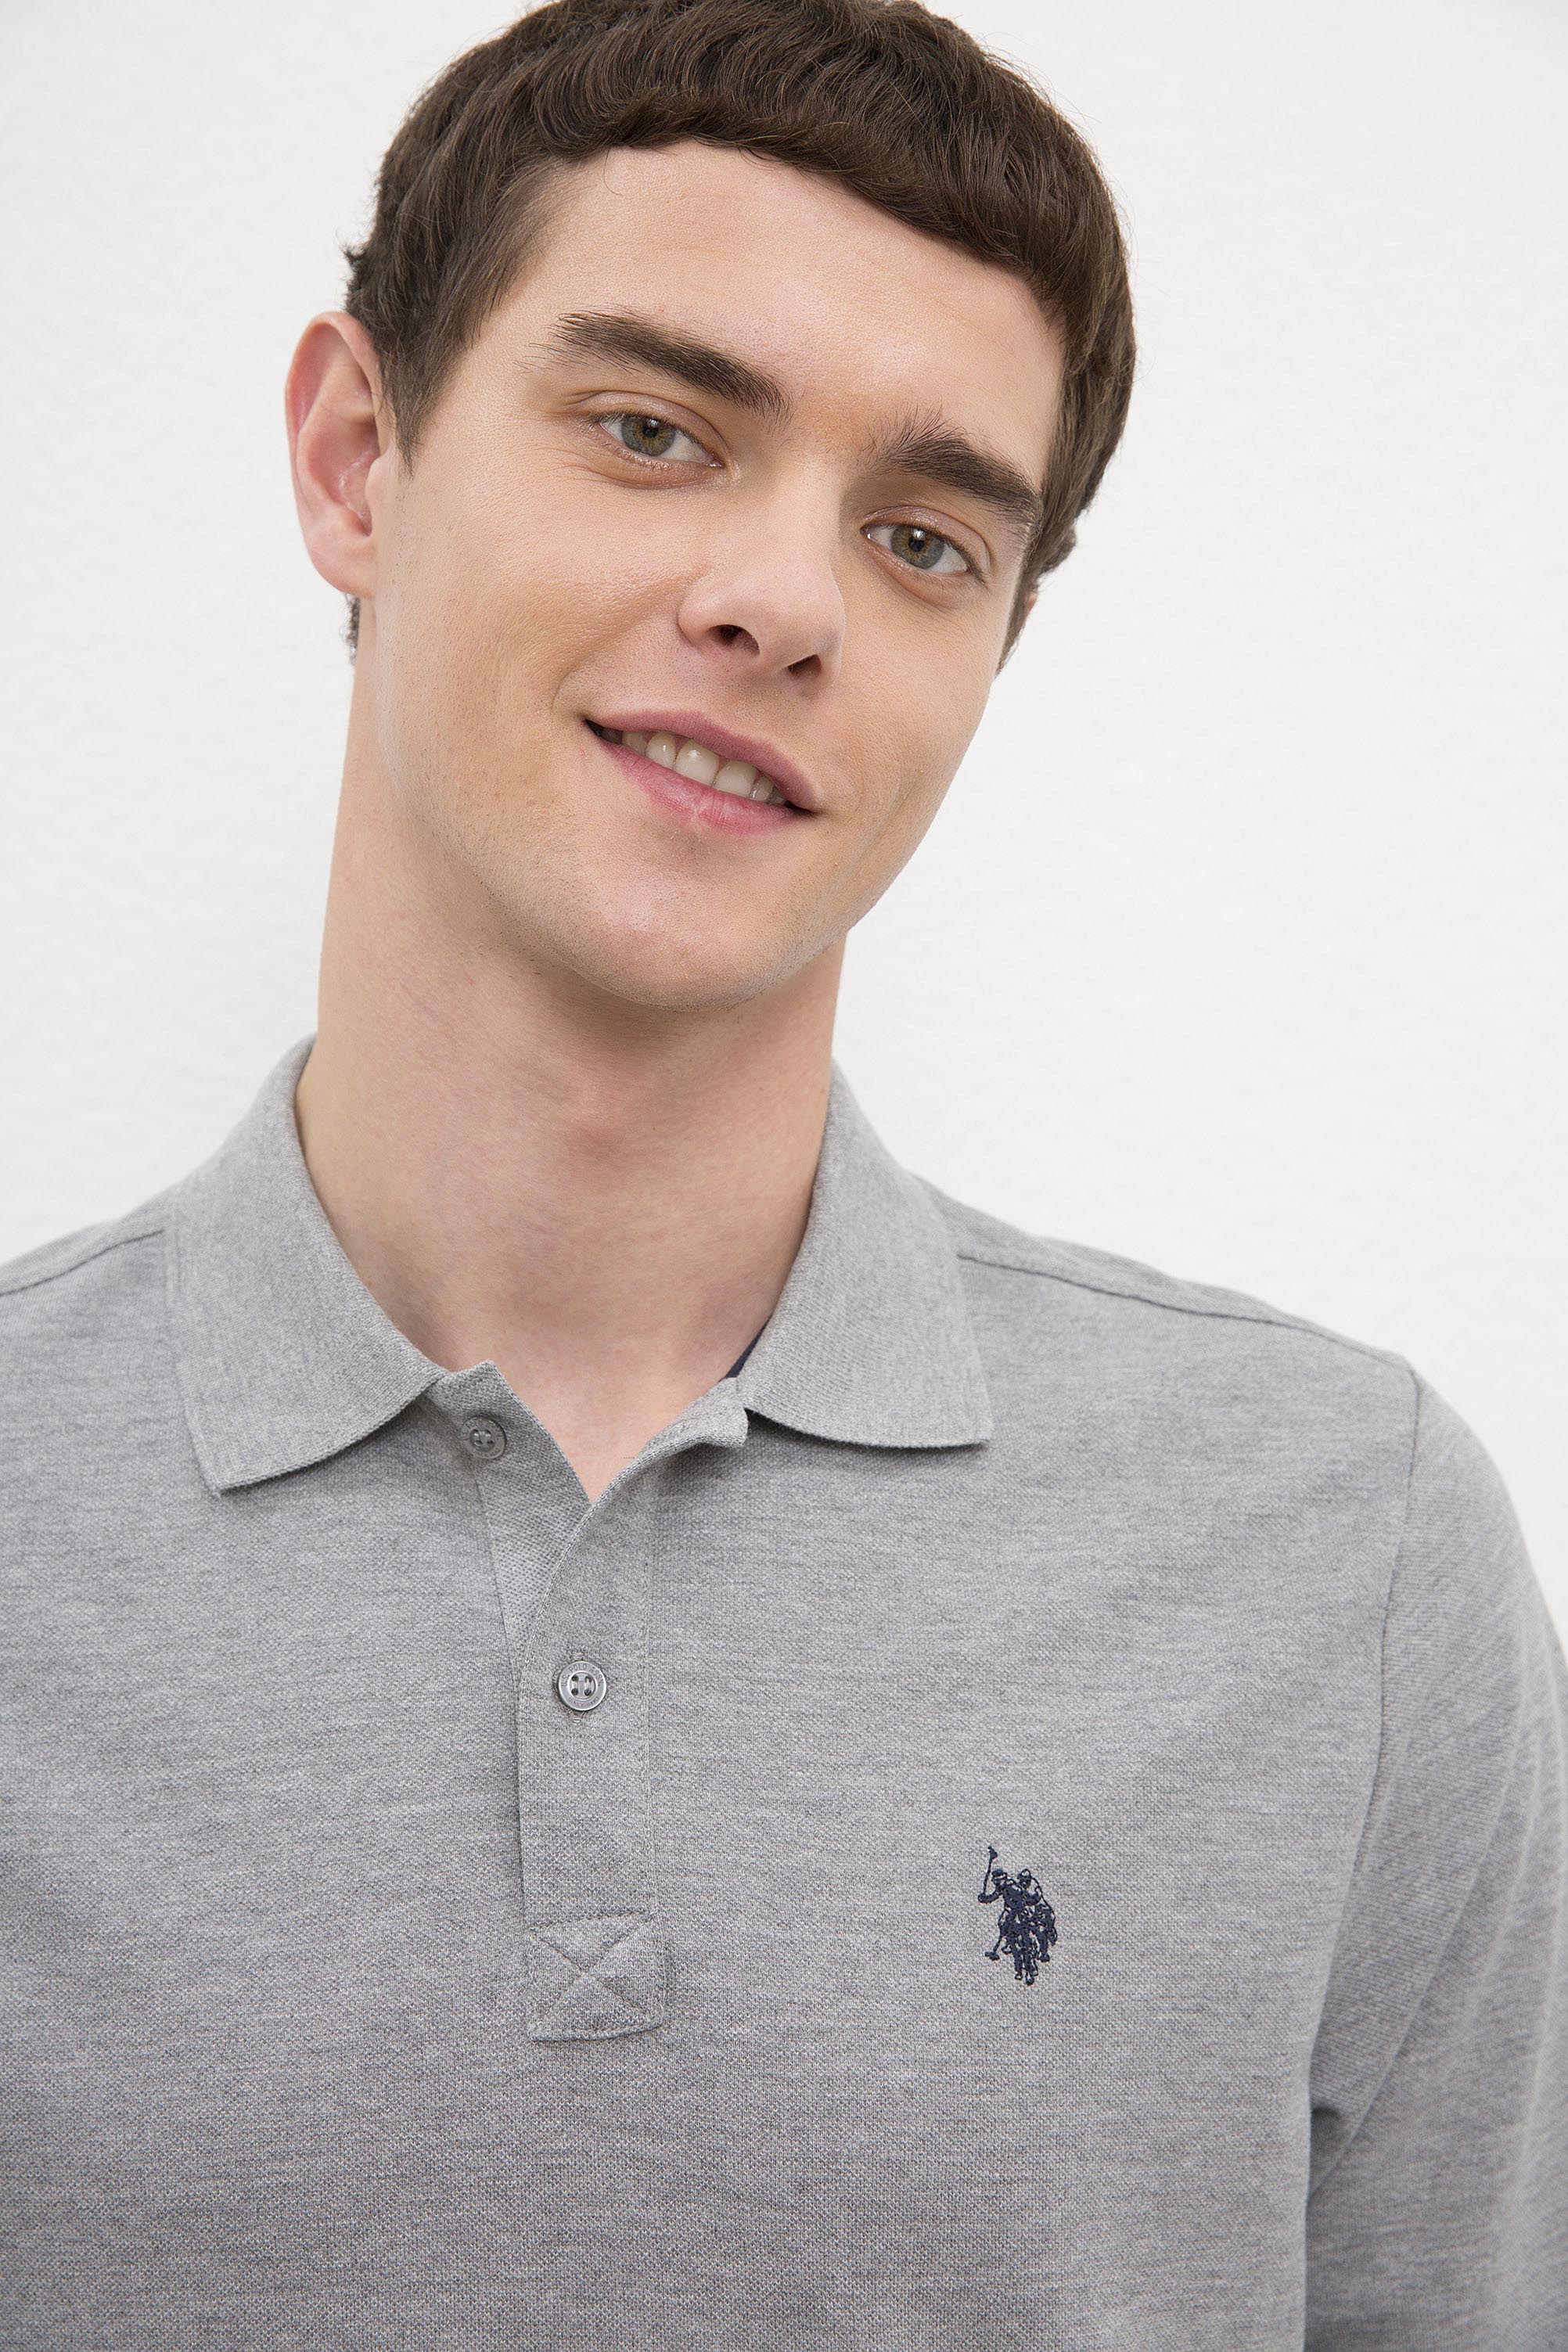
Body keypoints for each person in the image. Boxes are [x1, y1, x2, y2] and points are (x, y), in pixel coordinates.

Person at [2, 0, 1563, 2343]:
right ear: (355, 458)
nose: (785, 600)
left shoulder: (1346, 1557)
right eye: (654, 431)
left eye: (921, 537)